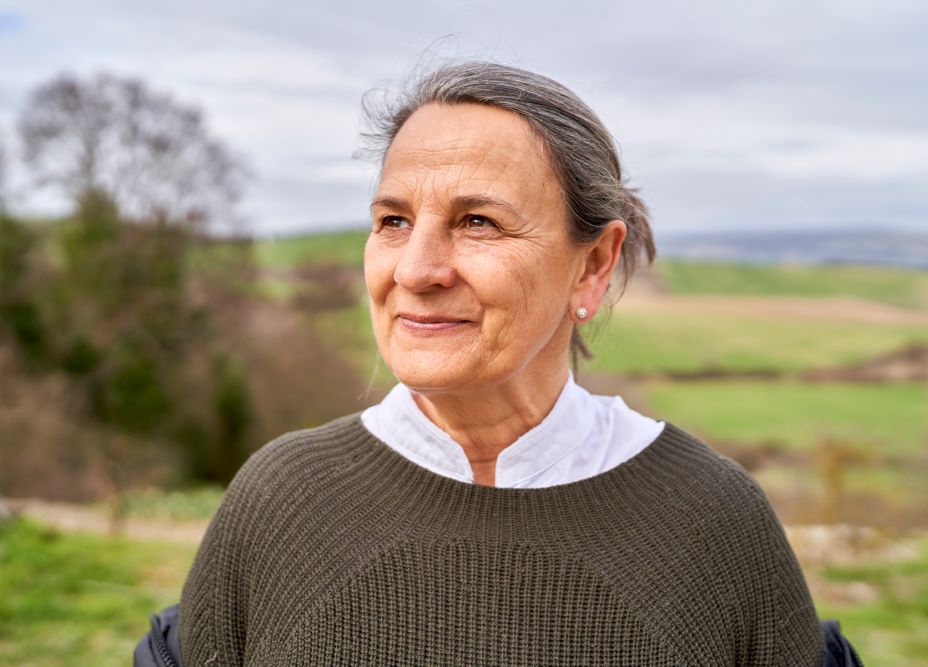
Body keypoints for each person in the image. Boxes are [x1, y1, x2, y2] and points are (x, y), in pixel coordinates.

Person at [175, 61, 828, 666]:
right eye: (394, 220)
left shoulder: (710, 519)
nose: (416, 269)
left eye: (479, 221)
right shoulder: (282, 499)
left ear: (593, 264)